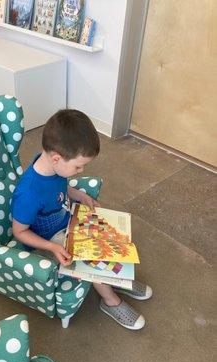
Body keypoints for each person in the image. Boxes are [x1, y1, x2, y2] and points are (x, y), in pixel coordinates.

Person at [11, 109, 152, 330]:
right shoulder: (28, 193)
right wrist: (50, 246)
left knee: (105, 235)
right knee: (90, 258)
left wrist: (81, 196)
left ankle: (120, 278)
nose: (82, 170)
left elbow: (60, 187)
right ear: (56, 158)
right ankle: (110, 301)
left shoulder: (51, 165)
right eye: (78, 166)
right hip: (47, 240)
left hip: (67, 220)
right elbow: (19, 232)